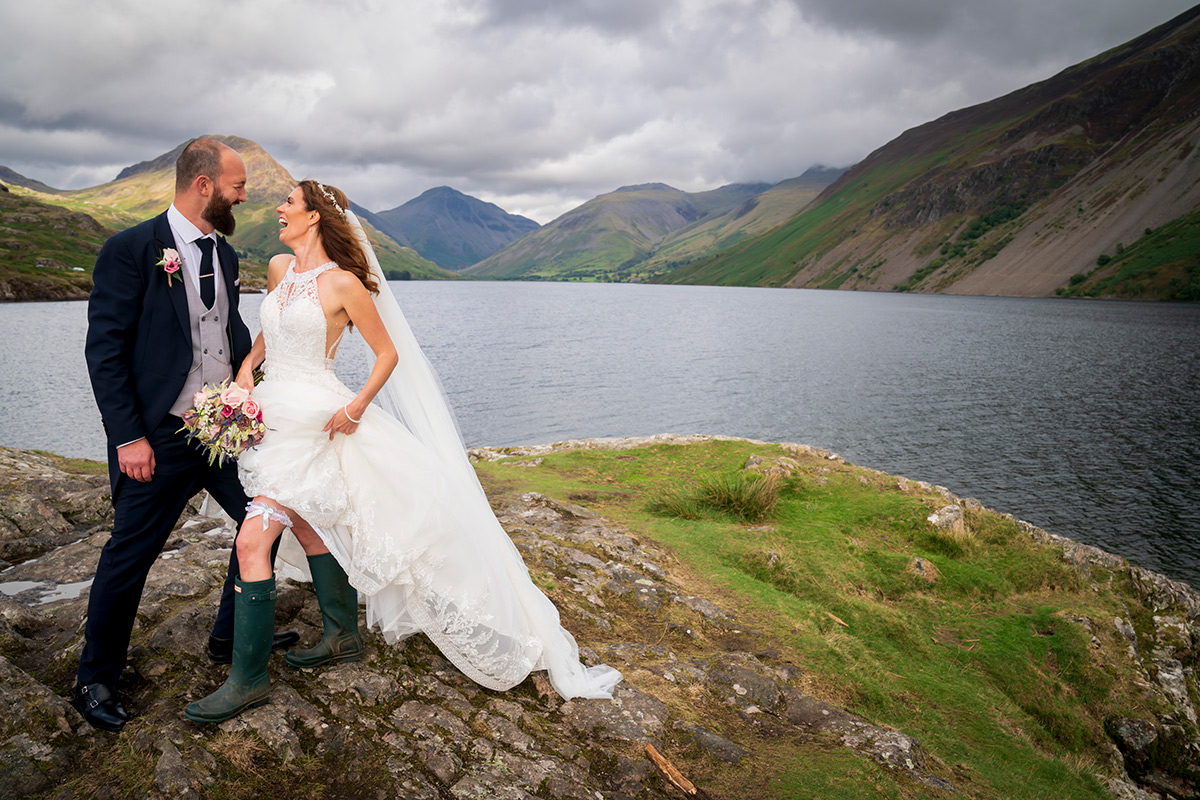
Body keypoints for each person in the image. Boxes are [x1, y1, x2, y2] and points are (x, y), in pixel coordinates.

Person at [184, 181, 621, 723]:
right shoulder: (277, 269)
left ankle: (247, 680)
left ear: (316, 216)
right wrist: (248, 371)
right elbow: (268, 338)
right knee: (311, 523)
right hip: (272, 413)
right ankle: (342, 635)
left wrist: (356, 408)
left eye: (290, 203)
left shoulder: (344, 284)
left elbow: (387, 354)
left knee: (254, 538)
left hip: (320, 417)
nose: (279, 208)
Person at [79, 138, 298, 734]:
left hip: (221, 432)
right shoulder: (130, 250)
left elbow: (225, 335)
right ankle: (95, 676)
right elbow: (105, 352)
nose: (244, 195)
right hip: (157, 436)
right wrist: (128, 438)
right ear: (203, 184)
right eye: (238, 186)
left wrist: (268, 376)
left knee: (263, 518)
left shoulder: (223, 255)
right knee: (130, 555)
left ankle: (231, 634)